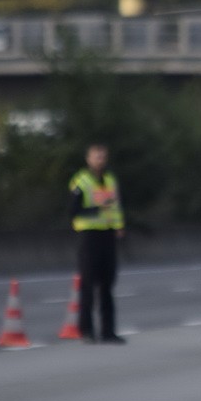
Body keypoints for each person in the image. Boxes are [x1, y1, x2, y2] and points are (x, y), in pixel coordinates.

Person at [69, 144, 126, 344]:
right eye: (96, 157)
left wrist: (119, 226)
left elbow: (116, 207)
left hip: (108, 235)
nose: (100, 160)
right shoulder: (81, 181)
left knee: (107, 285)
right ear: (88, 159)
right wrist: (97, 208)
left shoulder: (110, 179)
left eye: (103, 156)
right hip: (89, 236)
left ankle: (108, 331)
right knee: (88, 284)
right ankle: (86, 330)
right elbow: (74, 211)